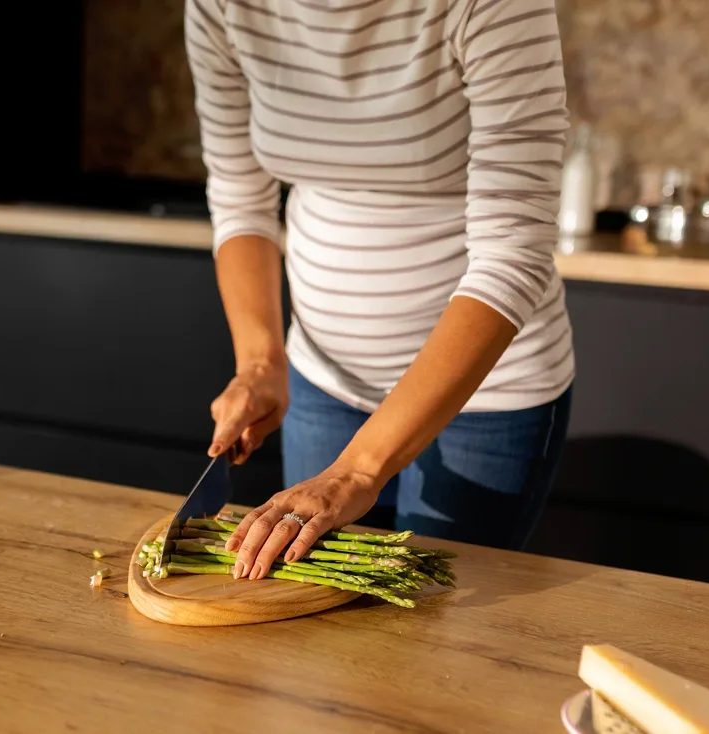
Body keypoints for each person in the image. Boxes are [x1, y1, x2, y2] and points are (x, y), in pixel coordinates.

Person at [188, 0, 574, 581]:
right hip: (323, 380)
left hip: (485, 398)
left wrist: (356, 473)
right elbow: (240, 199)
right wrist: (260, 362)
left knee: (438, 626)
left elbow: (512, 254)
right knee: (320, 626)